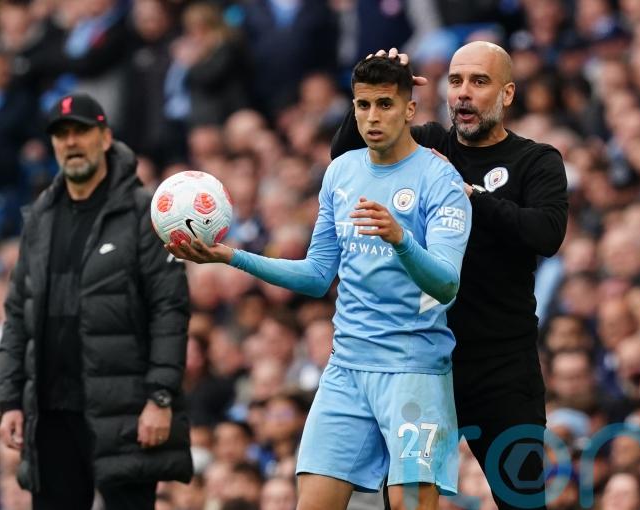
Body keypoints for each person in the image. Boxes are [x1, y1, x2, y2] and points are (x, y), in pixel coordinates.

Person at [167, 56, 472, 509]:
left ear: (410, 109)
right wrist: (229, 256)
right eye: (363, 105)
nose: (372, 117)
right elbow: (315, 275)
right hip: (346, 368)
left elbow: (447, 285)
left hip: (413, 371)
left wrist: (401, 240)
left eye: (385, 105)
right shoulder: (341, 172)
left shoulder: (439, 179)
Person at [331, 42, 569, 509]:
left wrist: (467, 194)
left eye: (479, 82)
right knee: (404, 502)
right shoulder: (429, 144)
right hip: (422, 364)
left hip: (502, 367)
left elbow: (546, 232)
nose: (463, 93)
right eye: (456, 80)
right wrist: (378, 87)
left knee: (523, 501)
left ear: (507, 94)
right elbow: (347, 153)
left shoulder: (535, 160)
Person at [0, 93, 193, 510]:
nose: (71, 142)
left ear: (105, 137)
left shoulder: (145, 211)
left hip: (123, 411)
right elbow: (17, 315)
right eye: (61, 134)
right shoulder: (40, 218)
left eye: (81, 131)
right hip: (49, 413)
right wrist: (11, 400)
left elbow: (169, 309)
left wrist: (161, 398)